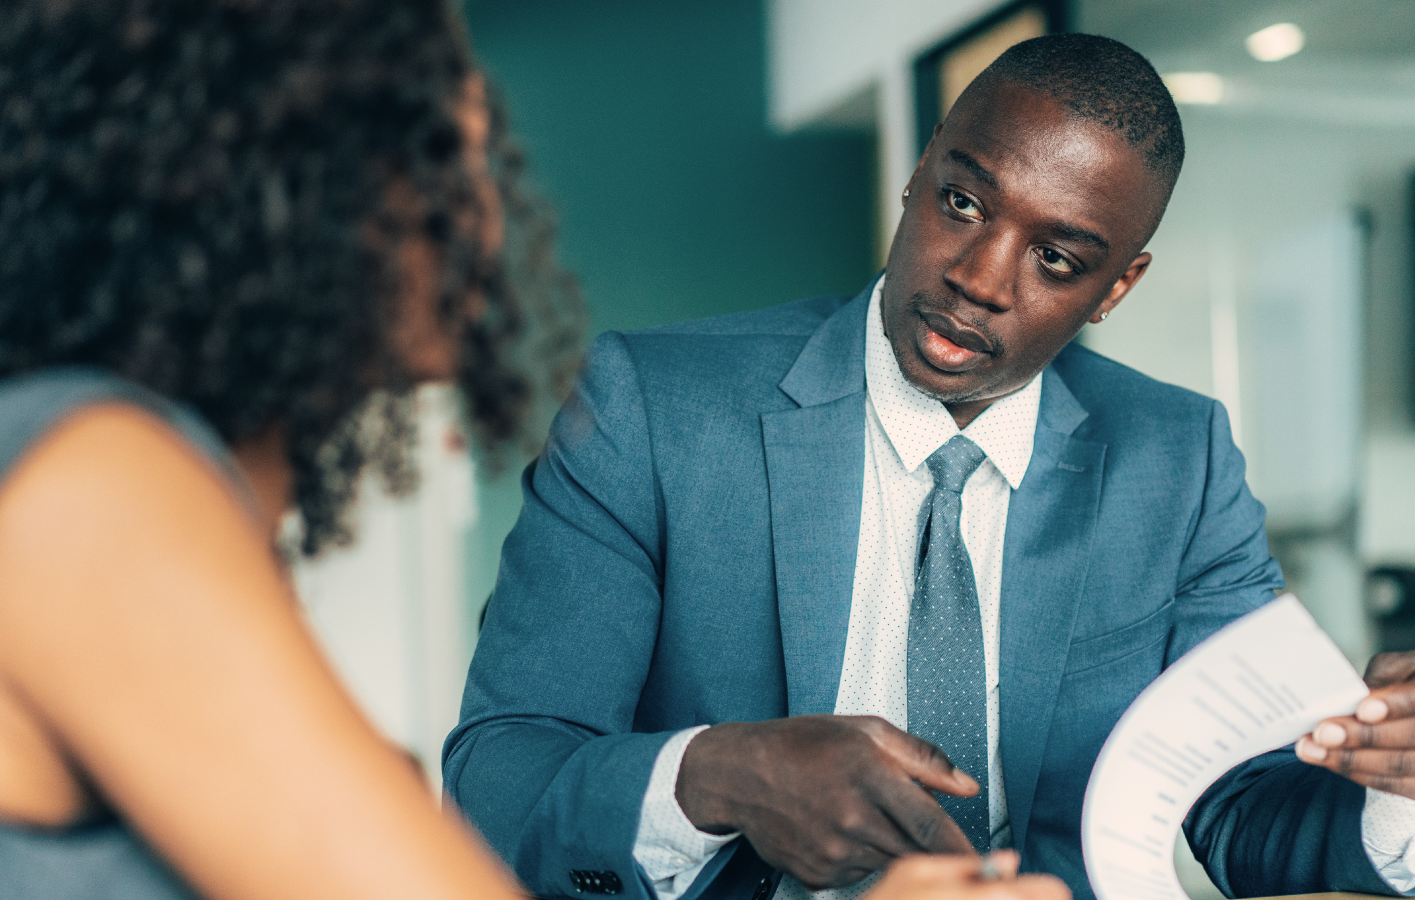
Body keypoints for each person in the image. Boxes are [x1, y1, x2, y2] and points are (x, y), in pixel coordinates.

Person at [0, 5, 1067, 900]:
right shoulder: (94, 487)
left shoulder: (127, 485)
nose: (486, 220)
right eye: (440, 159)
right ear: (266, 191)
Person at [446, 32, 1415, 900]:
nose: (979, 278)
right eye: (962, 202)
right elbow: (499, 784)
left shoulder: (1174, 461)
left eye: (1057, 259)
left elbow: (1253, 823)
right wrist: (720, 775)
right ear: (917, 180)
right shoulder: (652, 407)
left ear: (1115, 288)